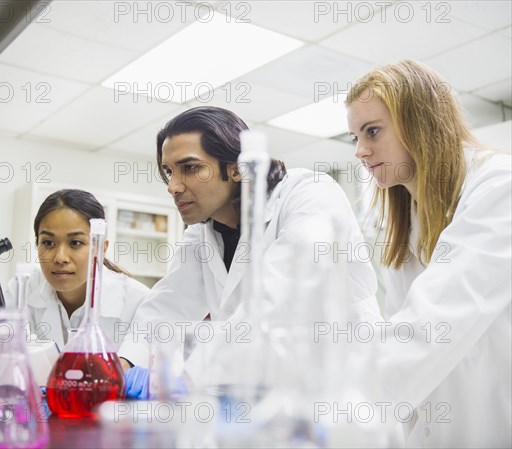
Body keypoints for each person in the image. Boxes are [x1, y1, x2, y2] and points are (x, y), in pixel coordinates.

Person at [120, 106, 382, 394]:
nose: (172, 186)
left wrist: (187, 381)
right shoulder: (202, 234)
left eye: (190, 168)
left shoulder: (309, 193)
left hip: (344, 391)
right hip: (263, 399)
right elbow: (166, 306)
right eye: (169, 172)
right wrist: (122, 367)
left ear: (236, 169)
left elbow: (277, 298)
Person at [345, 59, 511, 447]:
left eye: (372, 131)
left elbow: (432, 325)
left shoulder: (499, 187)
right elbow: (401, 339)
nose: (360, 151)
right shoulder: (409, 221)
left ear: (420, 121)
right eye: (355, 137)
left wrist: (337, 411)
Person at [6, 189, 149, 351]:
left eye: (75, 243)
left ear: (100, 248)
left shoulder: (138, 302)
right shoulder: (21, 290)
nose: (60, 257)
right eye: (48, 243)